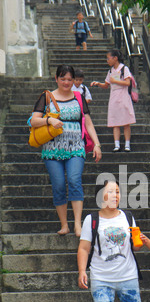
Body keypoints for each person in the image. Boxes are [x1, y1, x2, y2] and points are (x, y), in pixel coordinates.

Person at [78, 180, 143, 302]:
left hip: (127, 274)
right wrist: (82, 270)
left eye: (117, 191)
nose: (115, 195)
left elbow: (137, 243)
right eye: (110, 192)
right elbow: (84, 248)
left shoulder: (128, 216)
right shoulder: (92, 219)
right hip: (101, 277)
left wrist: (139, 240)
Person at [30, 64, 102, 237]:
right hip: (52, 150)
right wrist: (49, 121)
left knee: (74, 180)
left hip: (76, 147)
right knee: (59, 185)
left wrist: (97, 144)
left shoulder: (78, 97)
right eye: (63, 79)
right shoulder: (47, 97)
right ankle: (64, 225)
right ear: (56, 79)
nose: (66, 82)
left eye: (69, 79)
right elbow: (34, 121)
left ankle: (77, 224)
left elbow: (88, 122)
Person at [90, 49, 136, 152]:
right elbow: (106, 85)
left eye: (108, 58)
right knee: (115, 122)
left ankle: (127, 144)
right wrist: (98, 83)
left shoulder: (124, 68)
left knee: (126, 122)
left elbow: (128, 82)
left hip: (123, 96)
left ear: (115, 58)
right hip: (114, 97)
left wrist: (116, 81)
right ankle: (117, 144)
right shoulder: (110, 71)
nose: (107, 61)